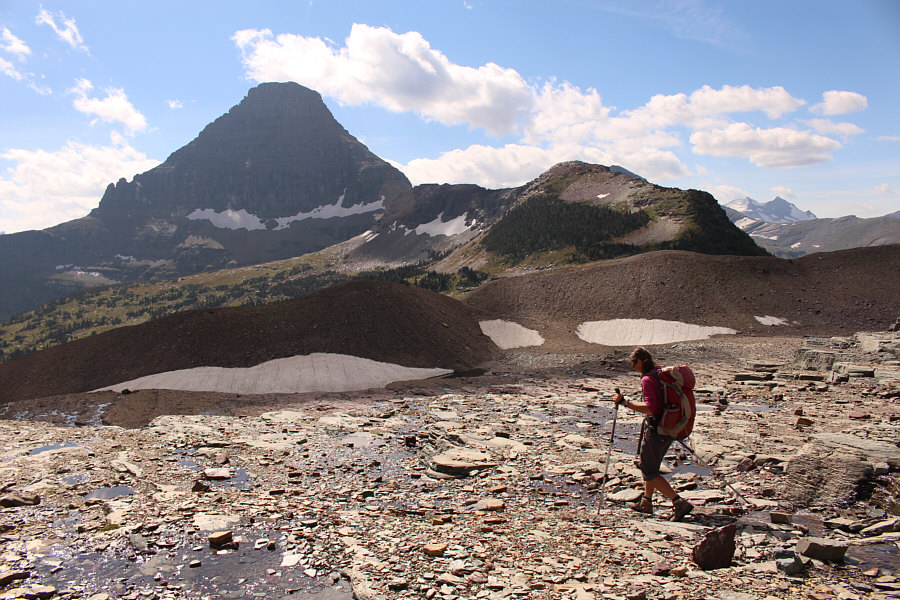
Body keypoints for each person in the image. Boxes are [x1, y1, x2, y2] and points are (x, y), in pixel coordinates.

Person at [612, 347, 694, 521]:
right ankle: (646, 502)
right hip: (670, 426)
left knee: (647, 469)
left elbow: (651, 408)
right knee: (651, 466)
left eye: (634, 363)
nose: (633, 367)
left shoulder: (648, 379)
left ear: (641, 361)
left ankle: (679, 502)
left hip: (659, 430)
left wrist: (626, 403)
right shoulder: (659, 373)